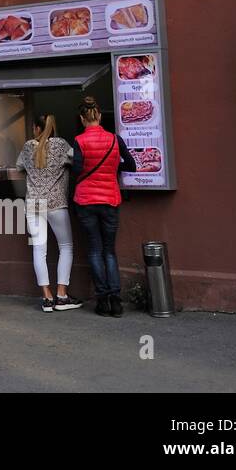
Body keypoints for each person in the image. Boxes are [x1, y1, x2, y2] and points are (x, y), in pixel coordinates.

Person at [70, 96, 137, 317]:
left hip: (86, 201)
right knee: (109, 251)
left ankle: (102, 300)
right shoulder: (115, 139)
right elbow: (132, 165)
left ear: (82, 118)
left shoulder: (79, 141)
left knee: (94, 250)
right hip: (110, 199)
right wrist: (112, 167)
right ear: (99, 115)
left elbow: (77, 170)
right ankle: (116, 301)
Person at [15, 113, 80, 312]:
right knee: (66, 247)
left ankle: (47, 298)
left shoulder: (27, 147)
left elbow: (18, 167)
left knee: (38, 250)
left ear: (36, 128)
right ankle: (62, 295)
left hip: (34, 204)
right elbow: (77, 160)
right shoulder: (61, 145)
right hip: (56, 203)